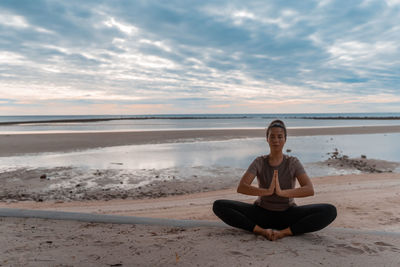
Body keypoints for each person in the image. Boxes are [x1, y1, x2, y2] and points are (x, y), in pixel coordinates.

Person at [213, 120, 337, 241]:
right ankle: (261, 231)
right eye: (272, 136)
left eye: (279, 137)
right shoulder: (259, 162)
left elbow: (309, 190)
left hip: (287, 214)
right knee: (219, 205)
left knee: (329, 211)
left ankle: (284, 233)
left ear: (285, 139)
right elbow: (242, 187)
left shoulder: (293, 162)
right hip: (261, 214)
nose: (276, 140)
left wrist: (282, 193)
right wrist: (267, 191)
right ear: (267, 139)